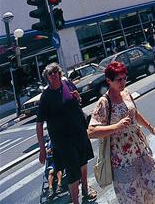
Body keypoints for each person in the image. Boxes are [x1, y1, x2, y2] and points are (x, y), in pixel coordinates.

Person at [88, 61, 155, 204]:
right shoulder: (104, 102)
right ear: (109, 81)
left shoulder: (126, 93)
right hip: (122, 159)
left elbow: (135, 113)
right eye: (118, 79)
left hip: (140, 151)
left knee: (154, 187)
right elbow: (91, 131)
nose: (123, 82)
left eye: (124, 78)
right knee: (133, 197)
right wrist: (116, 126)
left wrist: (151, 128)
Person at [36, 63, 97, 204]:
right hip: (62, 141)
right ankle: (76, 201)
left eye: (55, 71)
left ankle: (86, 191)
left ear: (59, 73)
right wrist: (42, 149)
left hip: (79, 132)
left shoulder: (67, 84)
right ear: (47, 77)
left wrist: (78, 98)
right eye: (50, 73)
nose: (53, 74)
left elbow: (77, 101)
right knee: (72, 171)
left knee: (83, 162)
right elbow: (39, 124)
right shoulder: (46, 96)